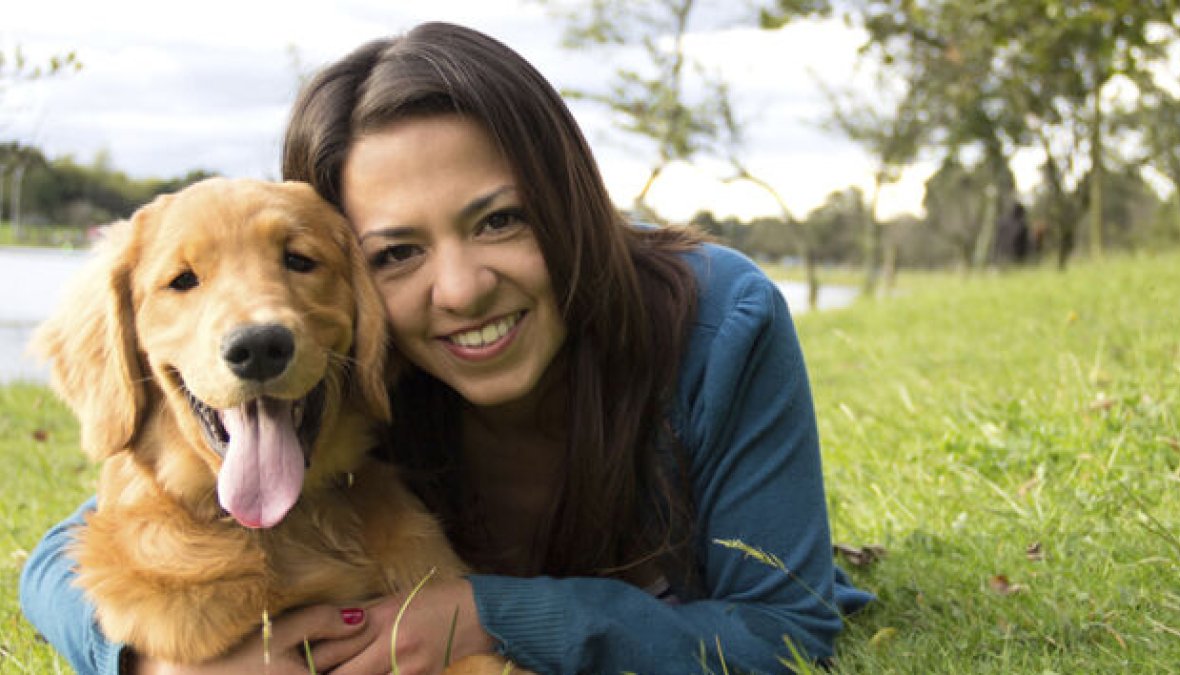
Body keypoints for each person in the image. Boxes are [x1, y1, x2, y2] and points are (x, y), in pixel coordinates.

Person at [20, 21, 872, 675]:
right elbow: (65, 556)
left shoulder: (721, 318)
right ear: (359, 277)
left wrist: (486, 613)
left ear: (569, 197)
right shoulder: (350, 371)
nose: (459, 289)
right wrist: (147, 660)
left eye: (501, 219)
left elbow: (786, 628)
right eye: (396, 252)